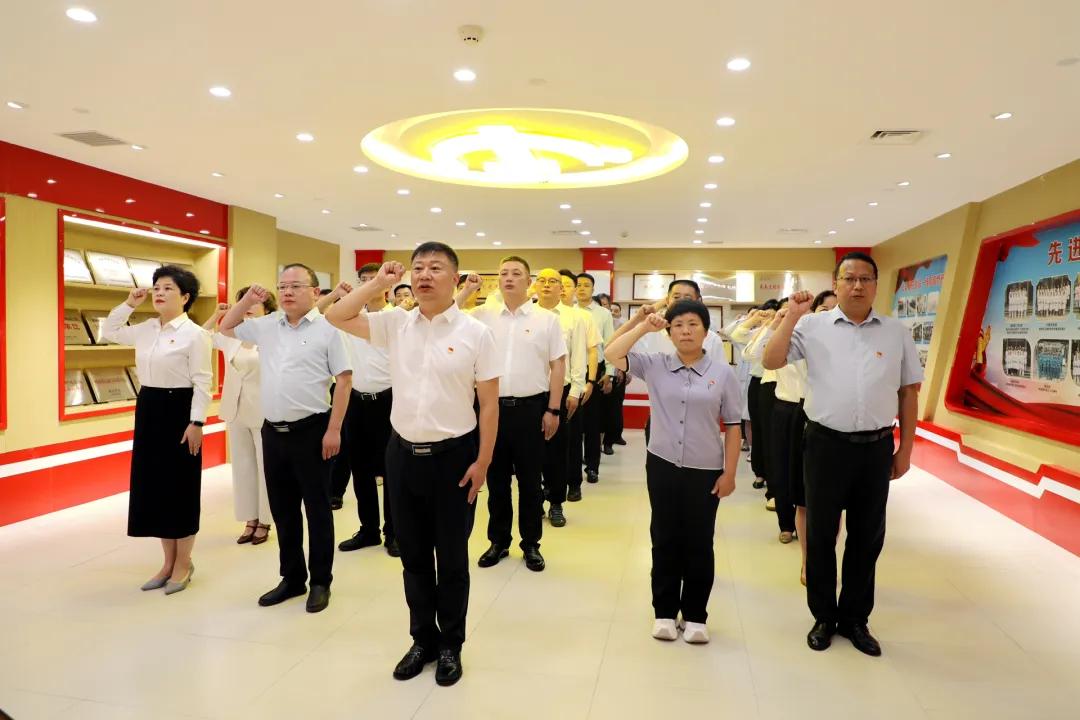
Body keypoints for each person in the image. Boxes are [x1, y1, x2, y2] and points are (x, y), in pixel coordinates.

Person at [325, 243, 500, 688]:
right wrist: (378, 284)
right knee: (414, 557)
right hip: (402, 455)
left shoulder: (477, 333)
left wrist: (483, 461)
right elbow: (337, 315)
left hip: (455, 458)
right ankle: (423, 640)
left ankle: (451, 645)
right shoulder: (395, 324)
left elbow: (489, 404)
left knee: (452, 559)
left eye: (435, 268)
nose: (424, 275)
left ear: (455, 279)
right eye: (418, 268)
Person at [764, 252, 922, 657]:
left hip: (876, 447)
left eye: (865, 279)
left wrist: (905, 449)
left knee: (867, 537)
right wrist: (791, 316)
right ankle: (823, 616)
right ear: (835, 284)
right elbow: (771, 359)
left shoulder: (896, 332)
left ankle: (855, 619)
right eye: (849, 278)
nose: (857, 285)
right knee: (820, 534)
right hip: (825, 445)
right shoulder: (812, 326)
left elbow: (908, 392)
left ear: (876, 285)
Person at [219, 263, 353, 614]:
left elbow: (344, 381)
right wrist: (247, 299)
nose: (288, 292)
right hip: (273, 431)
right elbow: (226, 326)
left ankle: (321, 581)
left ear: (315, 292)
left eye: (296, 285)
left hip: (313, 431)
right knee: (283, 510)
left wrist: (334, 429)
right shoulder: (267, 326)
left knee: (317, 510)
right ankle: (292, 578)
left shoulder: (329, 329)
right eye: (282, 286)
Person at [605, 300, 741, 644]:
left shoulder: (722, 373)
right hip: (662, 464)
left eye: (693, 324)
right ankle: (664, 611)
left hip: (705, 469)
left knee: (699, 542)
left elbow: (734, 425)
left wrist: (730, 473)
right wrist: (643, 326)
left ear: (706, 332)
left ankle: (695, 615)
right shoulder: (655, 365)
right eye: (677, 325)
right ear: (669, 332)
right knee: (664, 538)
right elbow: (612, 353)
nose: (685, 331)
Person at [104, 265, 212, 595]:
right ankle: (167, 563)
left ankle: (184, 563)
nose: (159, 293)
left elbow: (202, 382)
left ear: (185, 297)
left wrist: (197, 422)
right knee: (156, 488)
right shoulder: (146, 328)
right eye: (156, 288)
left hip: (180, 412)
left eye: (168, 288)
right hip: (150, 408)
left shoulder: (196, 334)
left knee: (181, 488)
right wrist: (130, 304)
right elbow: (109, 330)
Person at [458, 258, 566, 572]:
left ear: (529, 281)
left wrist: (553, 409)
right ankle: (499, 541)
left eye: (516, 273)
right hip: (490, 410)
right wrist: (466, 291)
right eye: (503, 273)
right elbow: (448, 314)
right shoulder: (482, 316)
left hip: (531, 410)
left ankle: (531, 543)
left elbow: (558, 364)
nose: (508, 278)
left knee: (531, 483)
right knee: (497, 481)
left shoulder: (547, 320)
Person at [203, 288, 278, 547]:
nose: (247, 307)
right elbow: (199, 337)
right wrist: (216, 315)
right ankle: (250, 517)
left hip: (264, 410)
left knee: (265, 467)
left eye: (254, 302)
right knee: (243, 467)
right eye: (243, 302)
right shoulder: (230, 337)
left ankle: (266, 519)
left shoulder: (273, 336)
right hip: (235, 410)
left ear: (267, 309)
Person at [609, 279, 722, 444]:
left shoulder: (711, 339)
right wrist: (638, 320)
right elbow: (610, 348)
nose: (681, 301)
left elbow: (721, 384)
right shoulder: (651, 331)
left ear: (699, 301)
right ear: (667, 301)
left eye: (688, 297)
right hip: (660, 422)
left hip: (700, 423)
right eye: (676, 297)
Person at [336, 264, 398, 557]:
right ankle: (369, 529)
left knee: (392, 470)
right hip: (357, 402)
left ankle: (394, 532)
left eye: (375, 280)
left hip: (390, 400)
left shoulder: (398, 318)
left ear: (387, 285)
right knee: (360, 470)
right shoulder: (350, 318)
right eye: (364, 280)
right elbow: (323, 316)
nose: (370, 284)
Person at [533, 268, 589, 527]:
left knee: (557, 451)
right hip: (530, 392)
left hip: (562, 392)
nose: (546, 285)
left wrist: (576, 390)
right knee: (530, 452)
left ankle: (556, 502)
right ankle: (534, 501)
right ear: (534, 286)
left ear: (562, 288)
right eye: (541, 281)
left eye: (552, 281)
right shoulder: (526, 314)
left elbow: (578, 356)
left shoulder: (574, 317)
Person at [745, 306, 800, 543]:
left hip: (814, 411)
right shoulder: (781, 339)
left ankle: (806, 521)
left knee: (807, 471)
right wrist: (775, 323)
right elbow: (751, 353)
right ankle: (786, 523)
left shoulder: (818, 339)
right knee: (782, 466)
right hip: (784, 406)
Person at [559, 270, 600, 500]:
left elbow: (592, 351)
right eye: (559, 283)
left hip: (573, 383)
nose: (562, 288)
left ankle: (574, 483)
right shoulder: (541, 314)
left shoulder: (583, 316)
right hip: (544, 386)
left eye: (566, 284)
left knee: (573, 437)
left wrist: (590, 381)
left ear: (574, 289)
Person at [576, 273, 615, 483]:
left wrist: (610, 372)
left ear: (593, 289)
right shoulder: (567, 310)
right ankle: (571, 467)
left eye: (586, 285)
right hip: (571, 369)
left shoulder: (603, 314)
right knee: (571, 422)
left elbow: (609, 343)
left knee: (592, 422)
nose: (581, 288)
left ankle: (592, 467)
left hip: (594, 370)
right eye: (578, 285)